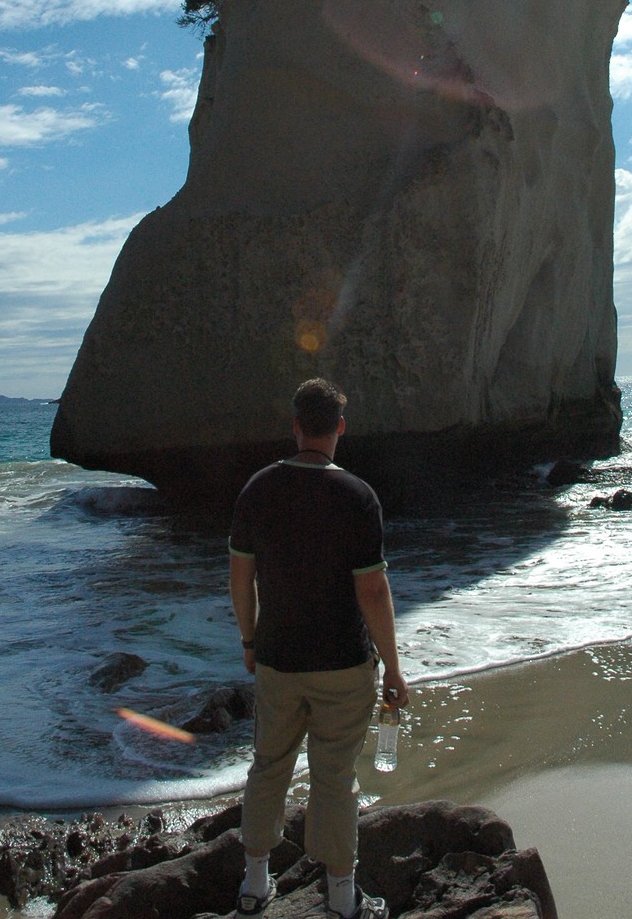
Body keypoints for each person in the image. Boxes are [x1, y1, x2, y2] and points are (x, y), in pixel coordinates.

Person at [229, 377, 409, 919]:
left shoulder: (256, 489)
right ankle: (340, 899)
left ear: (295, 427)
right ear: (340, 428)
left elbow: (240, 578)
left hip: (278, 659)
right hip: (343, 665)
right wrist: (395, 668)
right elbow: (372, 590)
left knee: (268, 765)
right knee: (334, 776)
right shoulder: (357, 495)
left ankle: (255, 886)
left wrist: (249, 639)